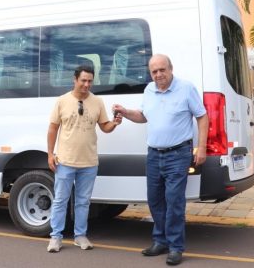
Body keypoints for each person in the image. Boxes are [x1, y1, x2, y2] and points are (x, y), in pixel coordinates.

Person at [112, 54, 208, 265]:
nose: (158, 75)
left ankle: (175, 247)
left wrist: (201, 147)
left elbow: (202, 116)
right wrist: (125, 112)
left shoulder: (186, 88)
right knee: (155, 199)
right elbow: (143, 116)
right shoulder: (149, 90)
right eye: (154, 71)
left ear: (170, 69)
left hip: (178, 154)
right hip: (154, 154)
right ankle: (160, 241)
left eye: (162, 70)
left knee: (174, 201)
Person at [47, 64, 122, 253]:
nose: (87, 84)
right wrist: (50, 154)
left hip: (89, 163)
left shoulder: (97, 102)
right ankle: (56, 237)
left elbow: (104, 127)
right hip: (65, 161)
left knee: (83, 201)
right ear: (75, 80)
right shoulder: (62, 101)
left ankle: (80, 236)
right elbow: (53, 128)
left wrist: (114, 123)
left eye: (90, 81)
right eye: (83, 80)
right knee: (60, 200)